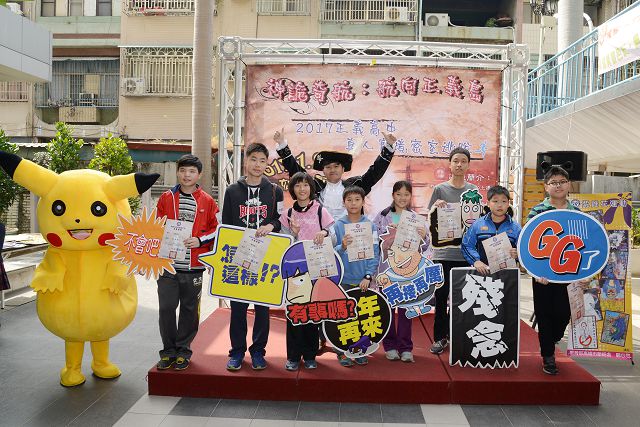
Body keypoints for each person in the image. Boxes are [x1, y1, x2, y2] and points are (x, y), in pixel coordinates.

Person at [155, 154, 219, 371]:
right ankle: (168, 351)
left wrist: (199, 240)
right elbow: (155, 226)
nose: (186, 175)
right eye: (183, 170)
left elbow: (217, 230)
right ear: (177, 172)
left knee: (190, 310)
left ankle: (183, 350)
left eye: (192, 171)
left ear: (199, 175)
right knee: (166, 308)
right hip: (167, 264)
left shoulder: (208, 201)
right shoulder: (166, 198)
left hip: (193, 266)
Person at [223, 142, 284, 371]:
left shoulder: (275, 191)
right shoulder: (232, 191)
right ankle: (237, 352)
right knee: (238, 308)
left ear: (267, 164)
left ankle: (258, 351)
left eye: (262, 161)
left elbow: (280, 220)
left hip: (265, 257)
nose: (258, 165)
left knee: (262, 308)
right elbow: (226, 225)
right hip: (239, 257)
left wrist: (270, 225)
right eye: (253, 159)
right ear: (246, 161)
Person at [525, 166, 579, 375]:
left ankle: (552, 338)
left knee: (564, 313)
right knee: (544, 313)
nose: (558, 186)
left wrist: (585, 274)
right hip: (543, 274)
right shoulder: (537, 211)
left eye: (562, 181)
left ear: (569, 184)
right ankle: (548, 356)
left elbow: (585, 245)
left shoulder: (577, 213)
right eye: (553, 182)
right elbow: (527, 243)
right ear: (546, 187)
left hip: (569, 273)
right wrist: (534, 271)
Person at [273, 128, 396, 219]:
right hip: (321, 234)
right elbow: (296, 170)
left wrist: (388, 147)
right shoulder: (316, 186)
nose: (332, 170)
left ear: (343, 169)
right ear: (323, 170)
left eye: (336, 166)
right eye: (328, 167)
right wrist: (283, 145)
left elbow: (374, 173)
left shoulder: (355, 185)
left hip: (349, 232)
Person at [279, 172, 334, 370]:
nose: (302, 189)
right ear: (292, 189)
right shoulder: (287, 214)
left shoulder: (321, 211)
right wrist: (293, 234)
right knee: (294, 313)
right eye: (297, 185)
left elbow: (334, 236)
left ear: (311, 188)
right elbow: (283, 244)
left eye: (305, 185)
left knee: (313, 313)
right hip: (295, 271)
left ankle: (310, 355)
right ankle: (293, 357)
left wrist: (324, 232)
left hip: (317, 269)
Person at [428, 147, 477, 355]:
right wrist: (435, 208)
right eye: (455, 160)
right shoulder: (439, 189)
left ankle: (458, 336)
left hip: (465, 254)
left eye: (463, 161)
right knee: (441, 298)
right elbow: (430, 219)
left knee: (463, 299)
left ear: (468, 165)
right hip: (443, 254)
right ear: (449, 164)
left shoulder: (473, 190)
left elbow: (476, 224)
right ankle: (440, 338)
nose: (459, 164)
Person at [372, 180, 427, 363]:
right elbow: (373, 243)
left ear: (410, 196)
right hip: (386, 271)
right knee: (387, 309)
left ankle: (405, 347)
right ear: (393, 195)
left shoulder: (415, 218)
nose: (402, 198)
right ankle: (390, 346)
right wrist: (390, 236)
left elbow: (424, 247)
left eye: (406, 194)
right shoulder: (382, 216)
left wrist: (423, 236)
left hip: (408, 271)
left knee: (405, 310)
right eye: (399, 194)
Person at [330, 186, 380, 367]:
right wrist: (342, 246)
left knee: (361, 318)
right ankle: (341, 351)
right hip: (343, 280)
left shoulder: (370, 225)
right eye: (349, 200)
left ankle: (359, 350)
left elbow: (375, 253)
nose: (353, 203)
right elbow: (331, 254)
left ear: (363, 202)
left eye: (357, 199)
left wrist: (368, 276)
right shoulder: (337, 225)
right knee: (342, 318)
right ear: (344, 203)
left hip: (363, 281)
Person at [461, 185, 521, 275]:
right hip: (483, 273)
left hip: (508, 274)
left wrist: (517, 254)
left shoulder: (516, 228)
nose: (499, 205)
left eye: (504, 201)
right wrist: (476, 261)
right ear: (488, 203)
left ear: (508, 203)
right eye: (495, 201)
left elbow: (523, 251)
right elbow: (467, 245)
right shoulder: (477, 225)